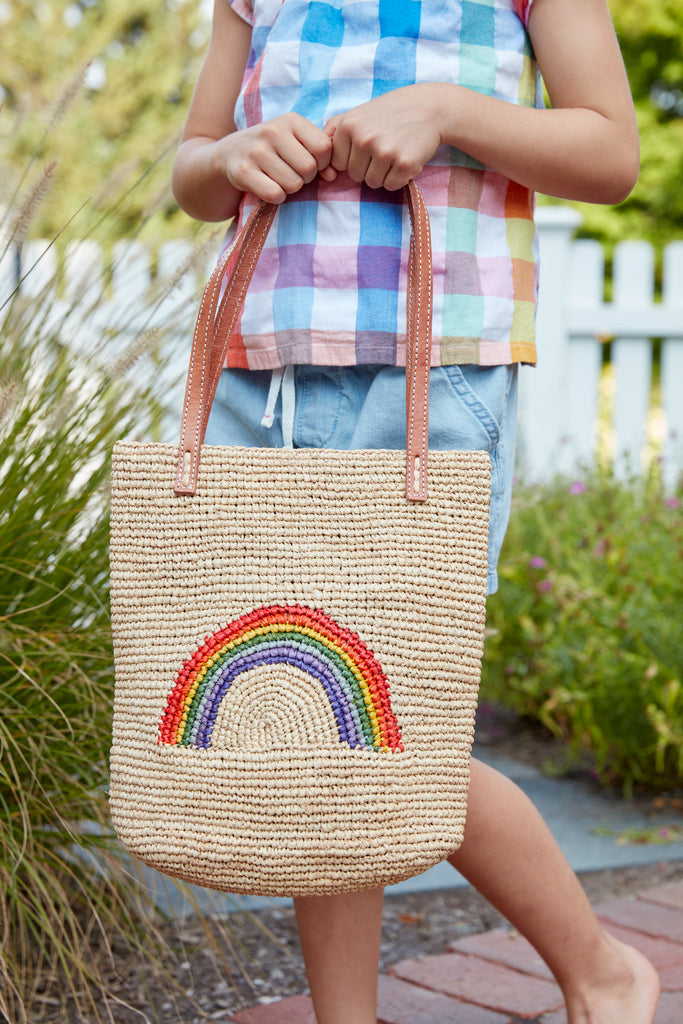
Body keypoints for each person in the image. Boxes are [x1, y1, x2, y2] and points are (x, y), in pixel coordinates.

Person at [171, 1, 659, 1022]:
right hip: (260, 377)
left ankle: (600, 969)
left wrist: (447, 109)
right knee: (308, 711)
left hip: (433, 375)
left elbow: (609, 153)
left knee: (392, 720)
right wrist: (233, 158)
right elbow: (192, 173)